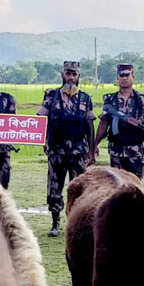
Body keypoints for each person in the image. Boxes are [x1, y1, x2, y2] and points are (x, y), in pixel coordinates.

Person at [37, 61, 96, 237]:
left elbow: (90, 125)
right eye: (68, 74)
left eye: (74, 74)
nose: (71, 77)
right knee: (54, 187)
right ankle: (55, 223)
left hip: (78, 150)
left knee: (79, 188)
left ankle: (76, 222)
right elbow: (41, 118)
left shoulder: (86, 98)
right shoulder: (51, 96)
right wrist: (43, 140)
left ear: (78, 76)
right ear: (63, 75)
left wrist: (92, 150)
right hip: (57, 149)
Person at [94, 63, 144, 180]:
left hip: (136, 150)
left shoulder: (142, 100)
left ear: (133, 77)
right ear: (117, 78)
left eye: (127, 75)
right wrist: (95, 144)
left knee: (135, 186)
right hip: (116, 151)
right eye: (121, 76)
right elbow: (103, 124)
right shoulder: (110, 100)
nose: (124, 78)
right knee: (117, 186)